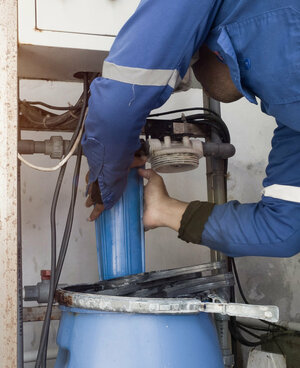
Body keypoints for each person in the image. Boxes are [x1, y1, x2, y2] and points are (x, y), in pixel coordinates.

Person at [82, 0, 300, 257]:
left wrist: (107, 184)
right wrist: (164, 209)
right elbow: (283, 230)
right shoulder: (292, 119)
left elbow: (120, 101)